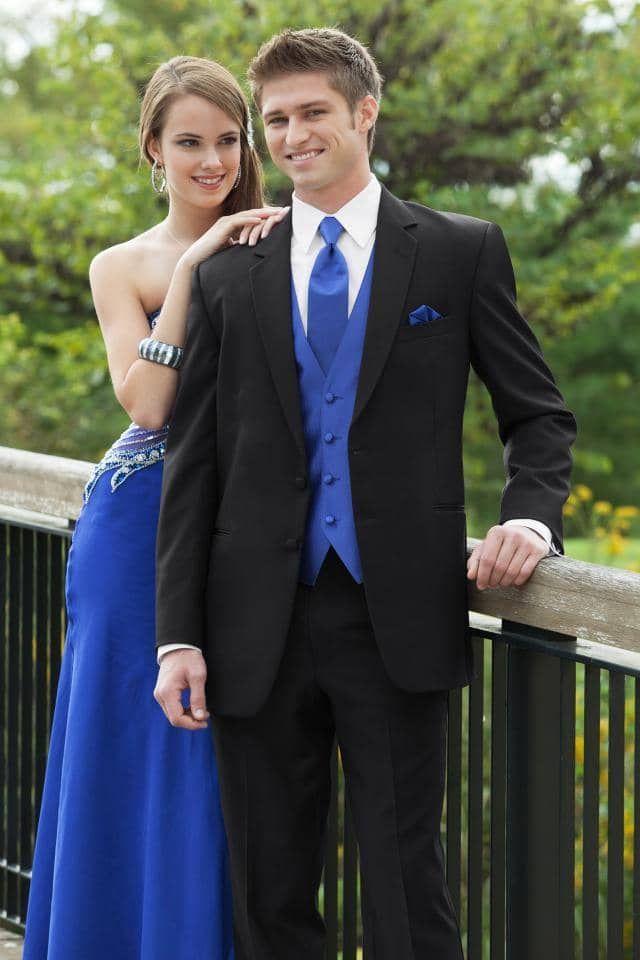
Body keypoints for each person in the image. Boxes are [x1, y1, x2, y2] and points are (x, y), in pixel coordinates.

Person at [154, 29, 577, 960]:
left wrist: (527, 518)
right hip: (250, 621)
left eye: (313, 113)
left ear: (364, 113)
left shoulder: (458, 253)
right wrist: (177, 636)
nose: (293, 136)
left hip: (399, 614)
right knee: (267, 891)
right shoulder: (232, 272)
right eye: (275, 121)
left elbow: (539, 416)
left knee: (406, 883)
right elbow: (194, 462)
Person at [23, 56, 287, 960]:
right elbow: (145, 405)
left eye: (227, 139)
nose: (212, 160)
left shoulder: (281, 242)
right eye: (189, 142)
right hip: (134, 526)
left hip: (237, 523)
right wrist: (192, 272)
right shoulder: (121, 265)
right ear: (153, 149)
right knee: (129, 736)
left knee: (207, 749)